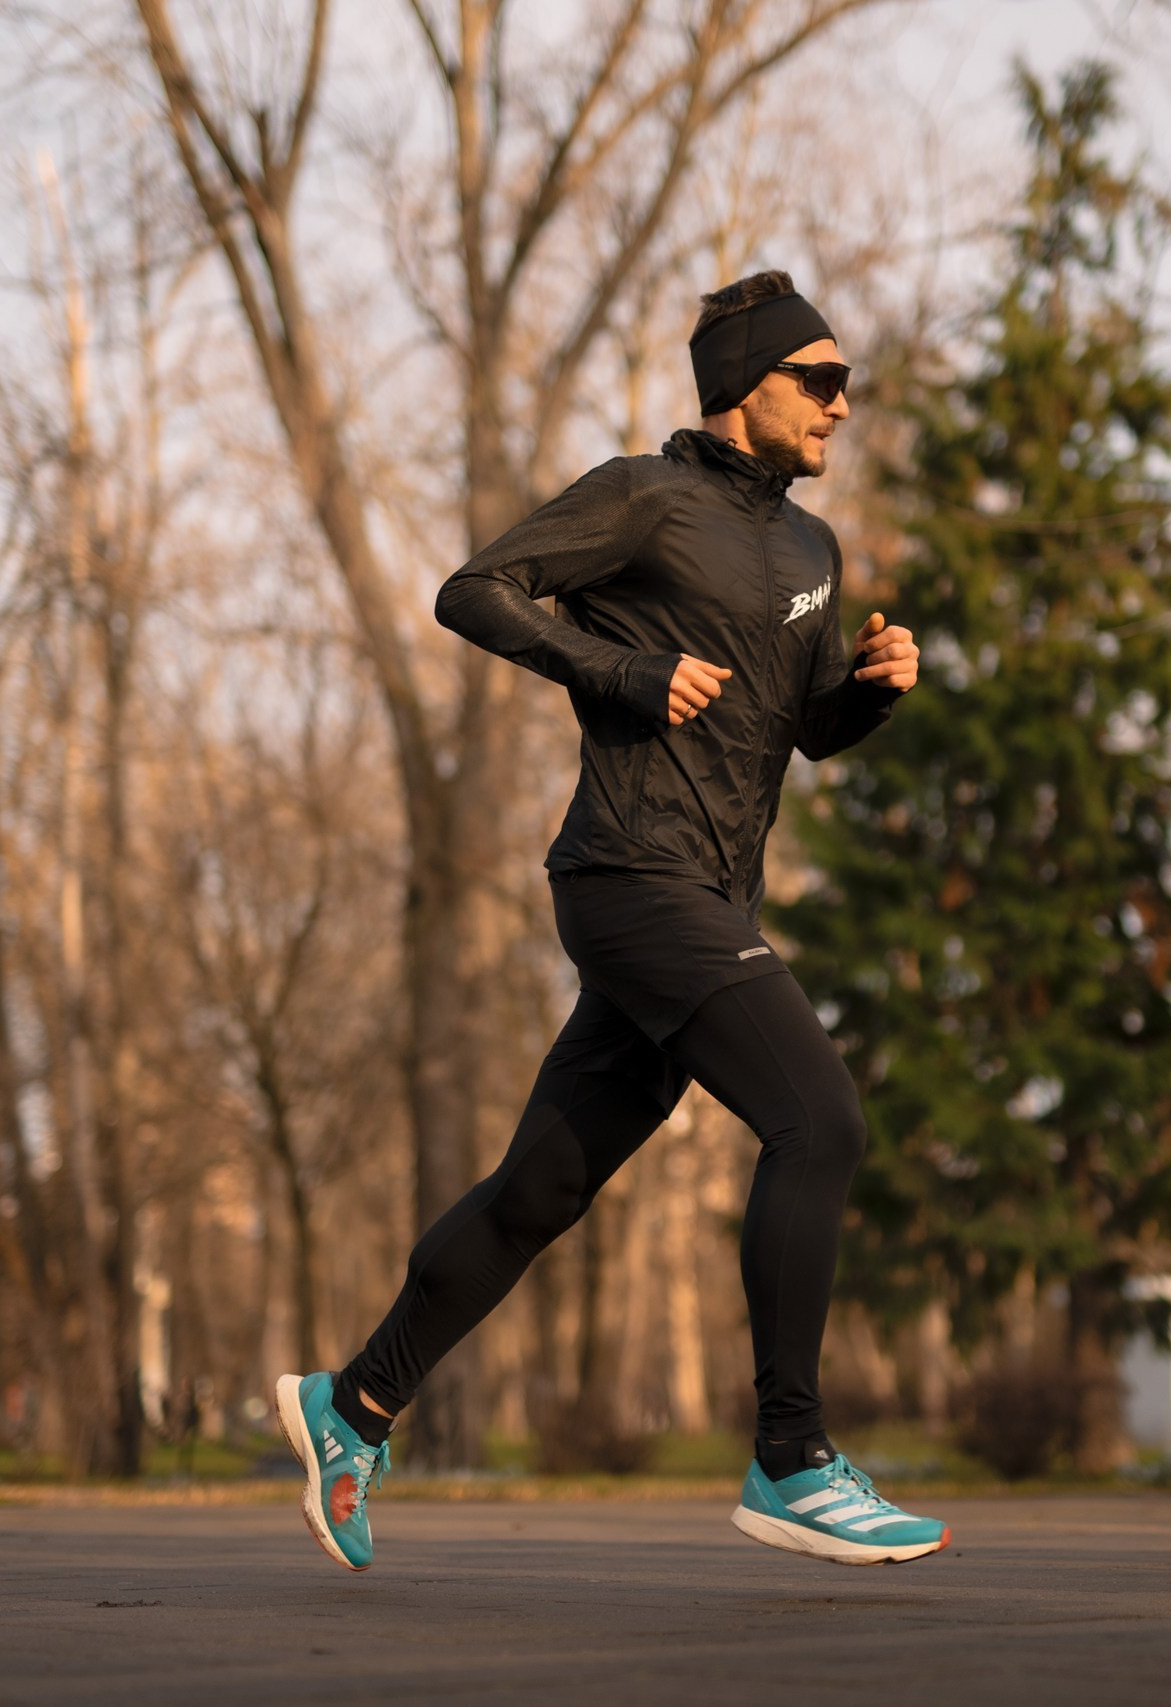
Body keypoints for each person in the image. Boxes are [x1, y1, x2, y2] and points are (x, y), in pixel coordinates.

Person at [276, 270, 944, 1571]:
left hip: (707, 895)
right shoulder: (644, 496)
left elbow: (806, 732)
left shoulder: (812, 550)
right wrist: (622, 670)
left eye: (848, 387)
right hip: (629, 880)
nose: (842, 408)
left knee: (544, 1188)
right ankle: (792, 1455)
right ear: (747, 383)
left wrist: (871, 691)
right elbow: (476, 589)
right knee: (821, 1121)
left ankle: (350, 1403)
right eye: (822, 381)